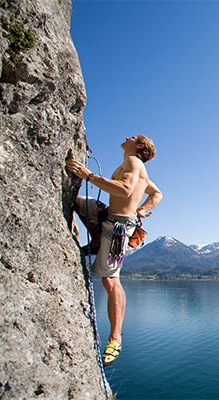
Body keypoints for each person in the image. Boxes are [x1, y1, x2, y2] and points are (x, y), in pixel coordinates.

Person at [66, 134, 163, 366]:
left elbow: (126, 190)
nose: (128, 137)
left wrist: (88, 176)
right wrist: (142, 209)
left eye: (134, 137)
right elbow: (157, 193)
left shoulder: (134, 162)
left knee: (111, 281)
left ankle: (115, 338)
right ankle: (98, 241)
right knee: (79, 203)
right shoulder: (133, 166)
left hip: (119, 230)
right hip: (109, 216)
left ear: (139, 146)